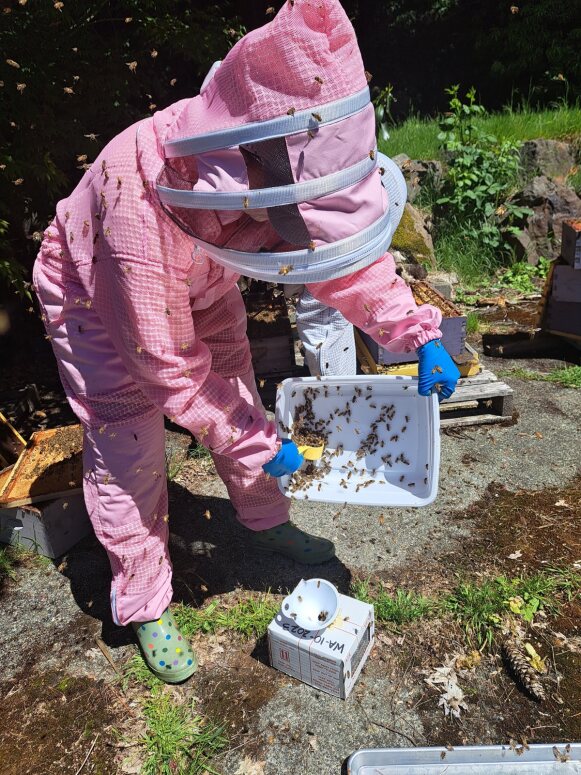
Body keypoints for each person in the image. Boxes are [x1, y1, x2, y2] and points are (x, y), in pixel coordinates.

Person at [33, 0, 459, 684]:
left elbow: (331, 248)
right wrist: (255, 441)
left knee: (234, 382)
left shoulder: (270, 160)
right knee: (128, 439)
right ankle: (143, 600)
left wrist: (410, 328)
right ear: (249, 165)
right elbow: (166, 364)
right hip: (93, 289)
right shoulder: (139, 196)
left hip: (195, 278)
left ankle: (264, 518)